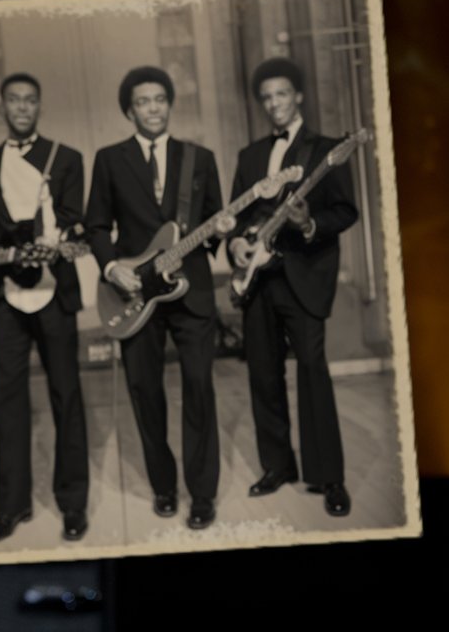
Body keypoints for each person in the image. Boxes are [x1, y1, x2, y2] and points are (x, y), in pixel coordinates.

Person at [84, 66, 225, 530]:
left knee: (199, 390)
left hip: (194, 292)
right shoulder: (109, 159)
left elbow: (213, 229)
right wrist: (111, 267)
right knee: (145, 393)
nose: (152, 108)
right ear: (130, 110)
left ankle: (202, 494)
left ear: (169, 104)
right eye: (143, 101)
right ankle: (164, 486)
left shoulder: (199, 158)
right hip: (136, 294)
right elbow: (97, 226)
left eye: (160, 99)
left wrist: (222, 231)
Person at [0, 72, 90, 543]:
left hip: (55, 288)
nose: (21, 107)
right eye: (13, 100)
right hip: (4, 295)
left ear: (39, 106)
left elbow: (77, 222)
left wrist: (55, 243)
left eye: (29, 100)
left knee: (66, 397)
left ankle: (73, 505)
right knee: (6, 402)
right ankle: (11, 508)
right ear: (1, 108)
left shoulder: (68, 159)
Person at [227, 57, 358, 516]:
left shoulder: (326, 150)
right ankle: (278, 466)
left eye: (281, 94)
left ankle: (330, 477)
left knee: (312, 373)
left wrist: (308, 225)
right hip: (259, 281)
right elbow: (236, 221)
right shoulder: (248, 156)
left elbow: (345, 211)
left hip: (304, 276)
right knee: (263, 376)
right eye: (266, 97)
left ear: (298, 95)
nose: (274, 104)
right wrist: (236, 248)